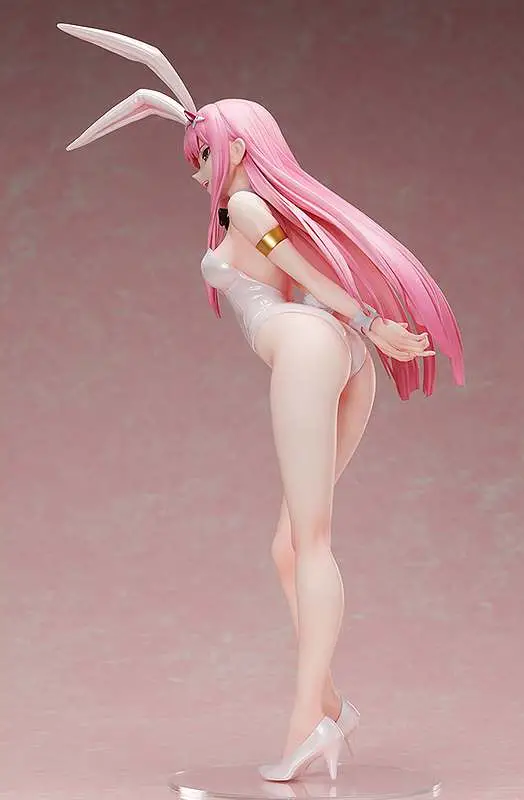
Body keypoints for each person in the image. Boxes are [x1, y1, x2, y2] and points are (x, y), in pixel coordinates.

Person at [58, 23, 464, 783]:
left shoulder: (244, 207)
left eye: (203, 154)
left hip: (308, 346)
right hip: (333, 349)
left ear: (239, 147)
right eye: (192, 159)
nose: (197, 171)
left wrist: (372, 322)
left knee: (310, 542)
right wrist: (365, 332)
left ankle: (307, 722)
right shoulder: (252, 205)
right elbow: (305, 276)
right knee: (289, 547)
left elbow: (305, 278)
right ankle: (331, 706)